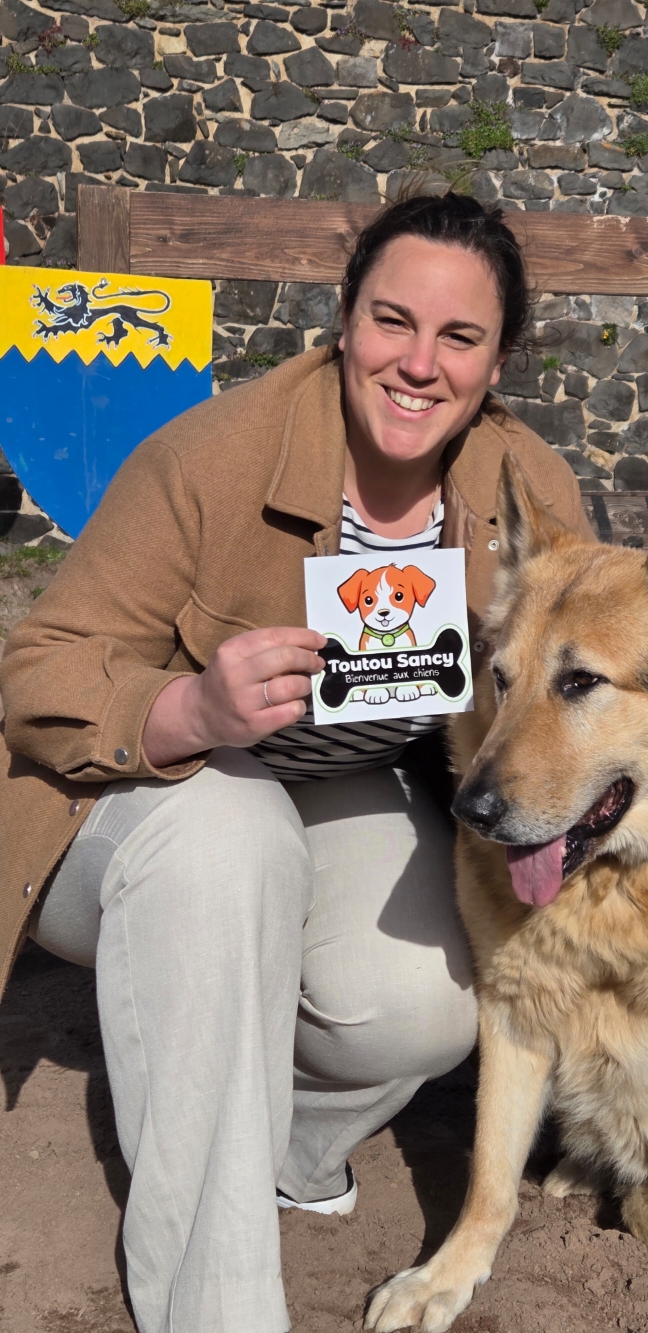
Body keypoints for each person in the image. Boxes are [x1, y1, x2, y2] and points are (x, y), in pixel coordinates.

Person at [0, 194, 594, 1333]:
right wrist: (187, 704)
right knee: (233, 834)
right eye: (391, 321)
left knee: (425, 998)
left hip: (328, 789)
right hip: (124, 801)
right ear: (341, 318)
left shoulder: (527, 491)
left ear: (497, 358)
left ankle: (265, 1135)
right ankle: (214, 1305)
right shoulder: (212, 456)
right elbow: (41, 671)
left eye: (458, 338)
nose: (418, 364)